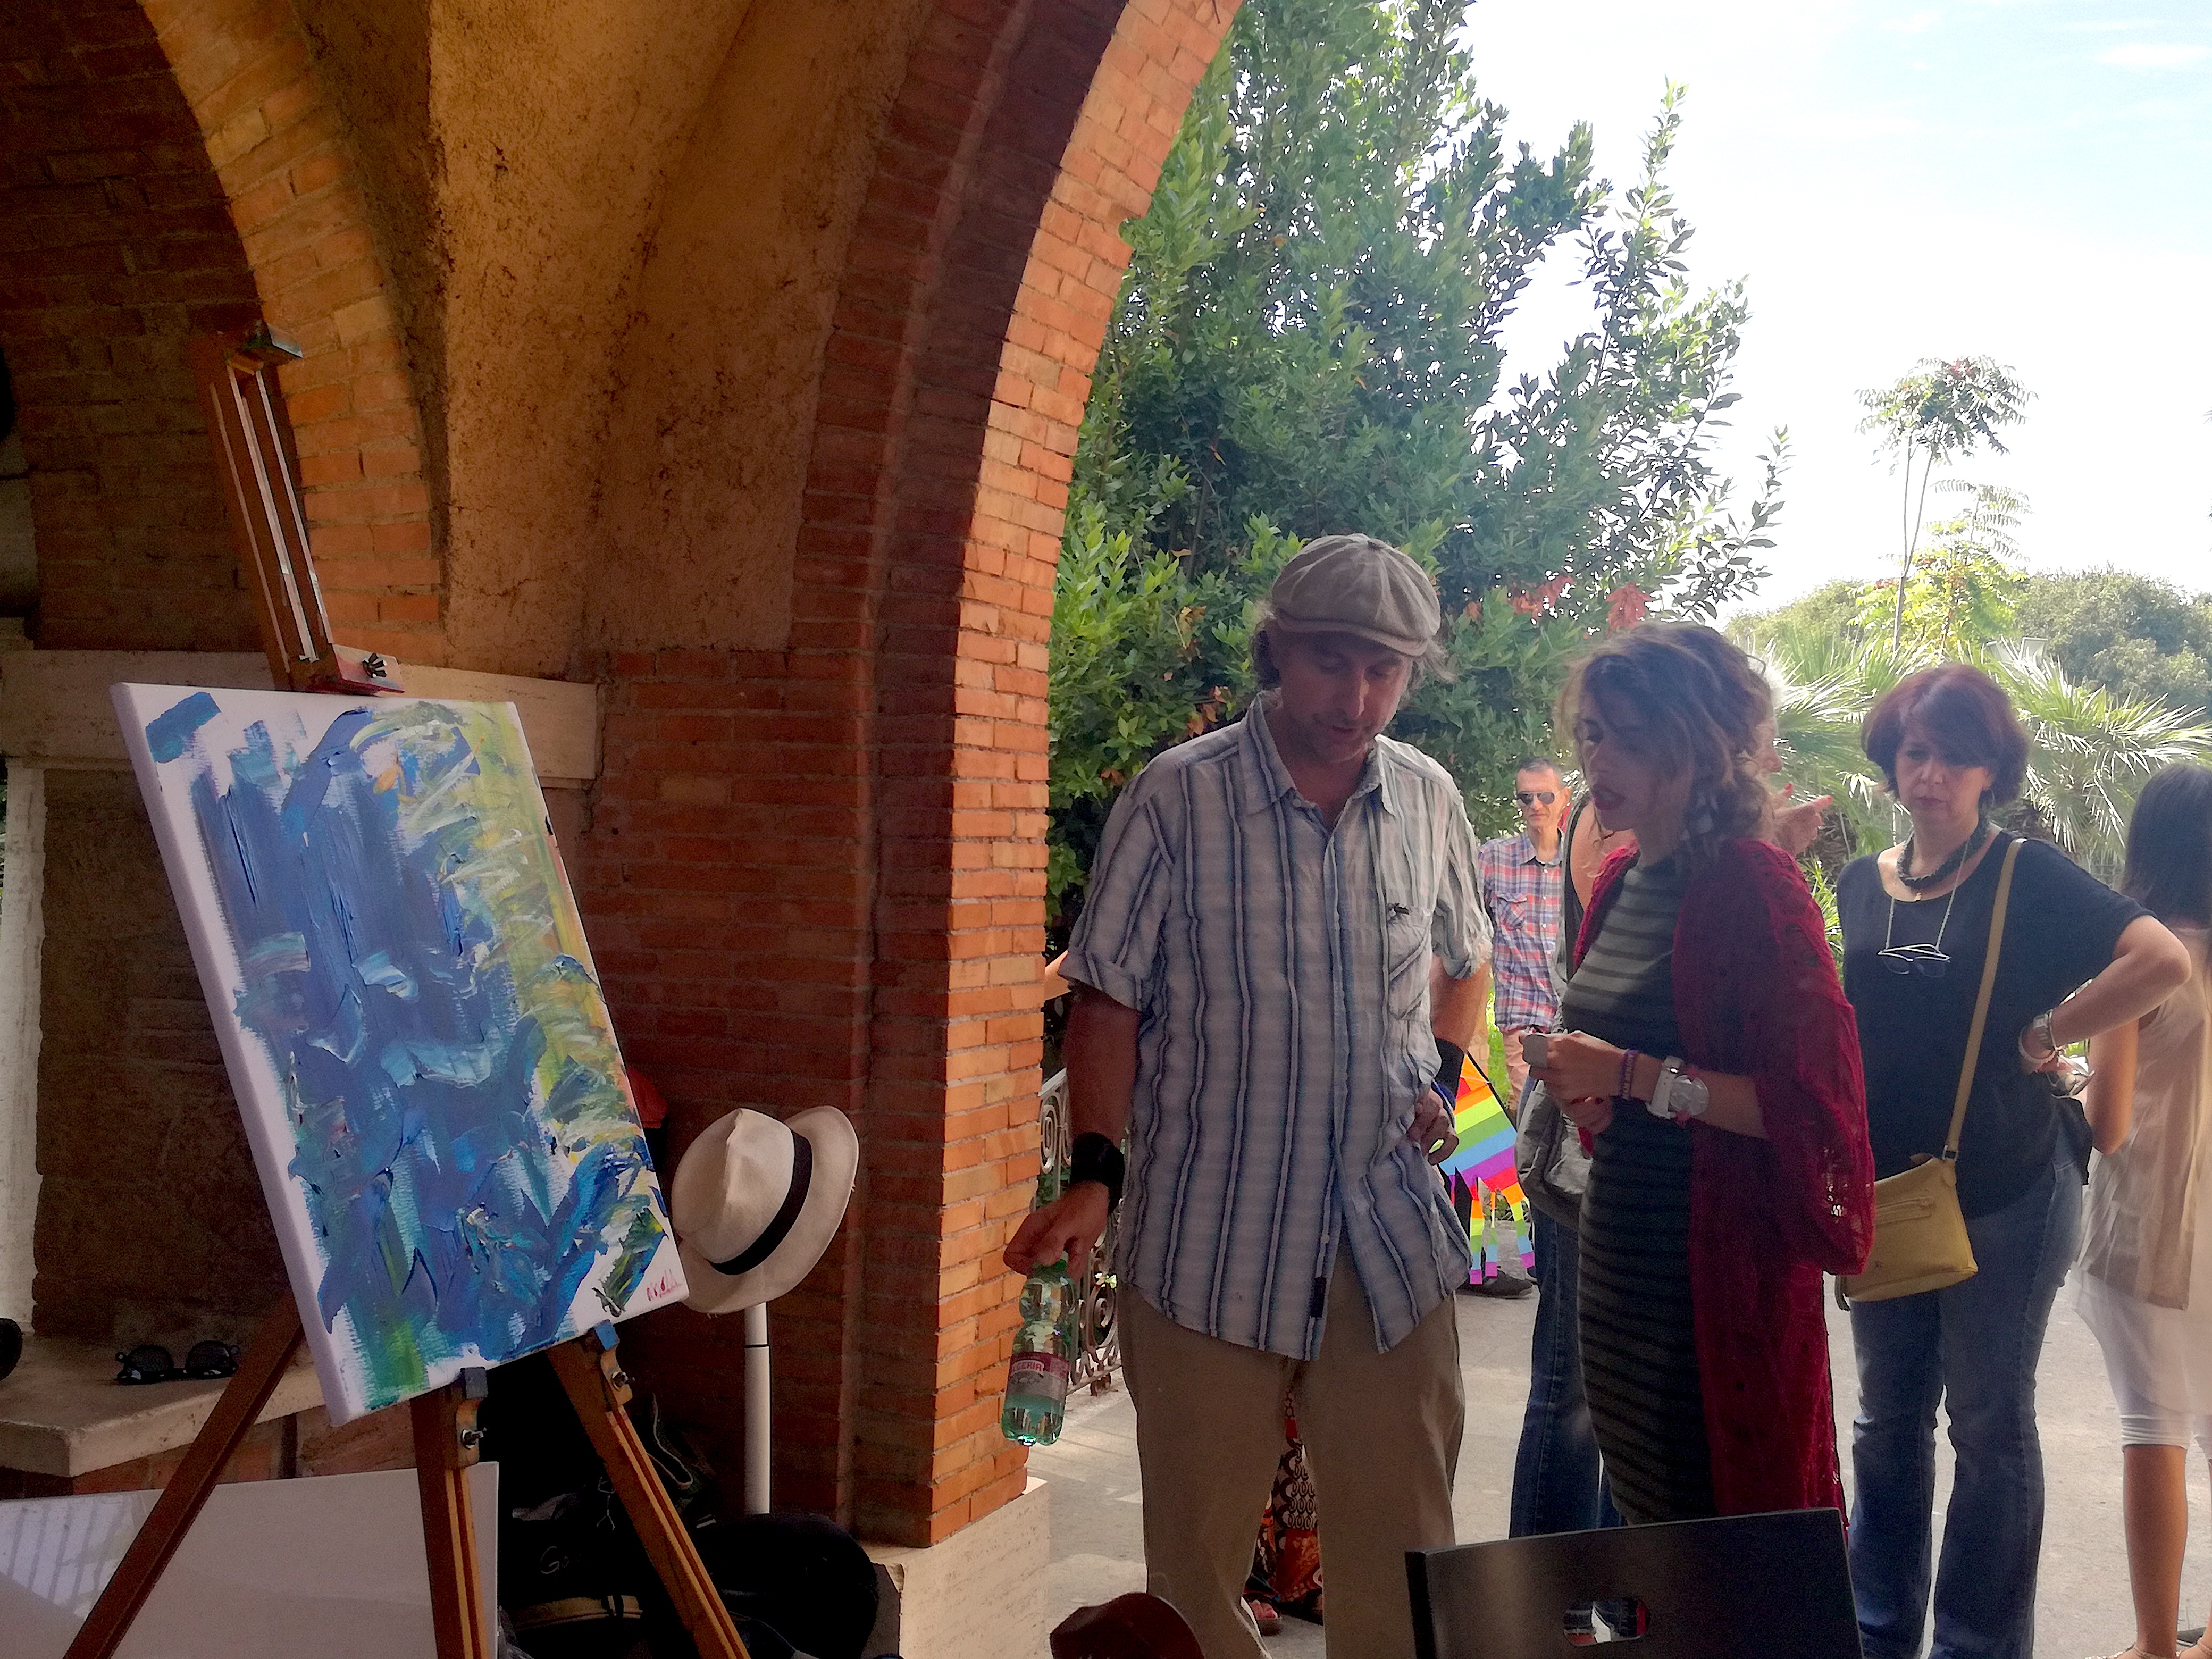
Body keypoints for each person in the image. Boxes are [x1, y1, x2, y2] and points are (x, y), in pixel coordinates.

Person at [1006, 533, 1490, 1659]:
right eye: (1331, 662)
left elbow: (1466, 962)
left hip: (1388, 1244)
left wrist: (1442, 1076)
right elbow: (1108, 999)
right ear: (1278, 651)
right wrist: (1094, 1174)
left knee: (1408, 1565)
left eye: (1384, 671)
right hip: (1209, 1243)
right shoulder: (1178, 798)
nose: (1356, 699)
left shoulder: (1427, 798)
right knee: (1192, 1578)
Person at [1836, 664, 2193, 1659]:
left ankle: (1979, 1646)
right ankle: (1878, 1632)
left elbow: (2160, 960)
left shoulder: (2025, 873)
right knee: (1884, 1423)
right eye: (1916, 752)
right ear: (1891, 762)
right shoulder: (1861, 881)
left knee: (1989, 1426)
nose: (1933, 774)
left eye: (1957, 757)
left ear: (1991, 770)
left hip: (2006, 1187)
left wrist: (2047, 1031)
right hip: (1886, 1190)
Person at [1527, 620, 1874, 1524]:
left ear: (1698, 749)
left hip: (1716, 1286)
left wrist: (1637, 1076)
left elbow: (1817, 1110)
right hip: (1618, 1261)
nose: (1601, 761)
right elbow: (1625, 1081)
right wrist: (1590, 1094)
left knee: (1719, 1539)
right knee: (1647, 1523)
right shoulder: (1621, 878)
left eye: (1633, 739)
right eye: (1592, 734)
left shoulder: (1753, 885)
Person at [2077, 765, 2212, 1659]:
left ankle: (2157, 1645)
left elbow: (2110, 1123)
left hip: (2151, 1226)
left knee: (2152, 1428)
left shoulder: (2139, 957)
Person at [1479, 759, 1569, 1103]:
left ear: (1564, 798)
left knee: (1571, 1118)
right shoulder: (1493, 859)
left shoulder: (1579, 860)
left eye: (1545, 796)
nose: (1536, 805)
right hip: (1522, 1017)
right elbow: (1465, 927)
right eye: (1526, 797)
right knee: (1531, 1111)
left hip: (1571, 1018)